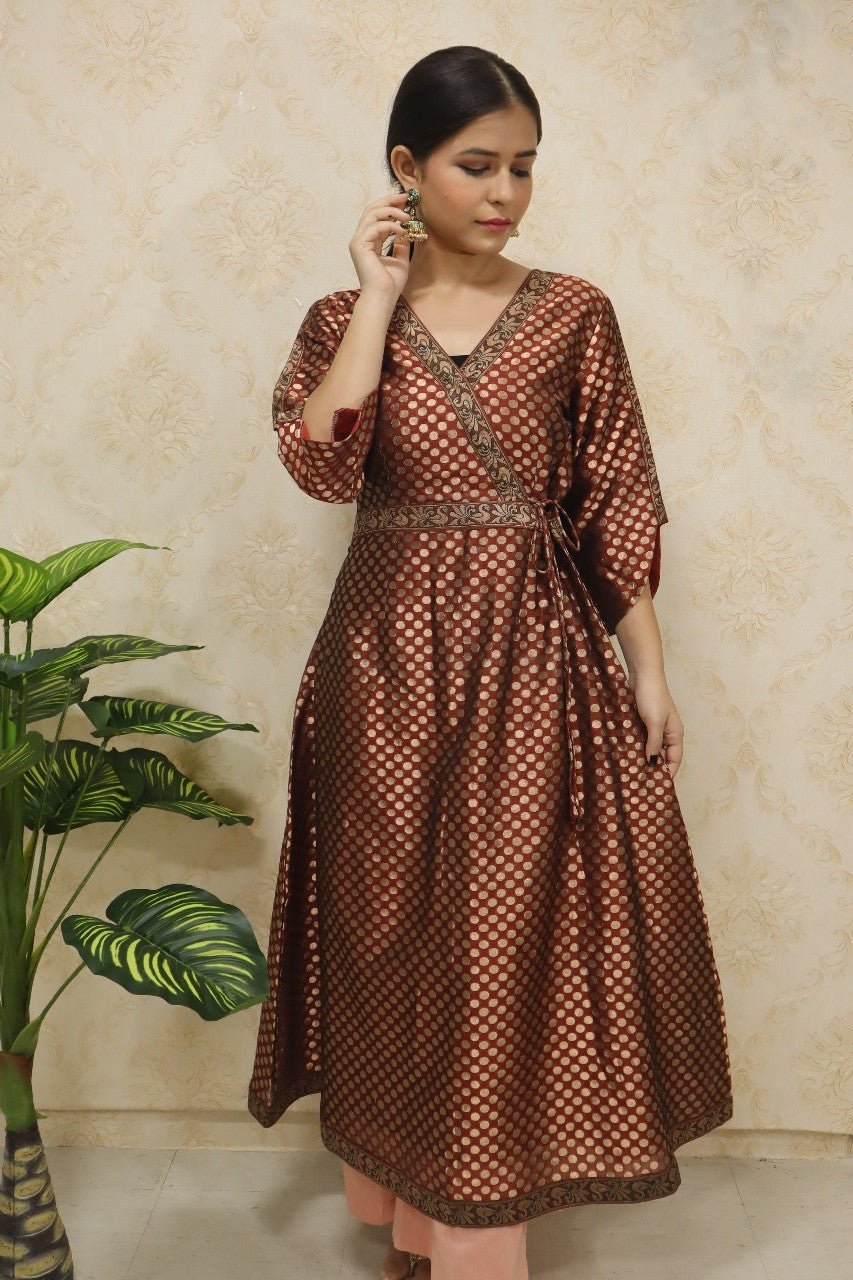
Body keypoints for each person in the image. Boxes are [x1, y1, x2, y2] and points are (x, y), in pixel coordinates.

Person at [247, 44, 734, 1280]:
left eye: (523, 166)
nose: (506, 191)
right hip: (380, 671)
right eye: (477, 165)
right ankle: (409, 1218)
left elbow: (614, 500)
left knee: (504, 941)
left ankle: (471, 1240)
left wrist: (648, 669)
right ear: (406, 168)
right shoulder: (338, 321)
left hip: (532, 662)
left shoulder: (573, 313)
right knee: (391, 938)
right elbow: (320, 463)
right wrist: (374, 294)